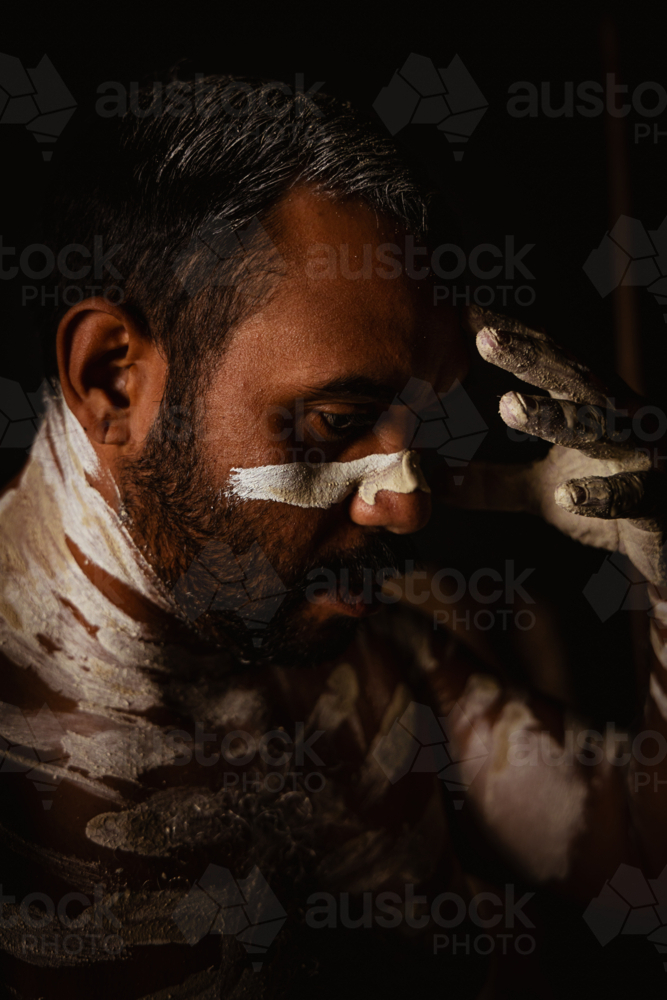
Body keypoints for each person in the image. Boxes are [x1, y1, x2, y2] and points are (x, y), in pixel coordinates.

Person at [1, 74, 666, 999]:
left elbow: (642, 873)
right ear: (113, 381)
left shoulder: (360, 653)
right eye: (331, 422)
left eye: (419, 427)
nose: (406, 505)